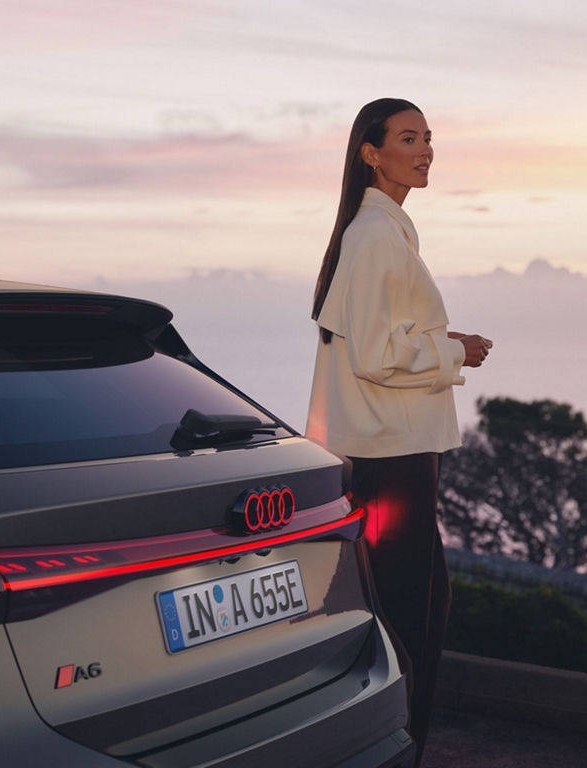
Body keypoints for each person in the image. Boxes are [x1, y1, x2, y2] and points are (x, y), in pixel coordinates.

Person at [306, 98, 492, 765]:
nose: (425, 150)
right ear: (370, 153)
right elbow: (378, 355)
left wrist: (445, 341)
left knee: (411, 603)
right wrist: (454, 352)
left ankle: (390, 742)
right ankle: (395, 745)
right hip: (393, 456)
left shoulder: (379, 232)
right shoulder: (377, 236)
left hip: (392, 451)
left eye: (429, 138)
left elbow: (378, 342)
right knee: (408, 613)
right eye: (408, 138)